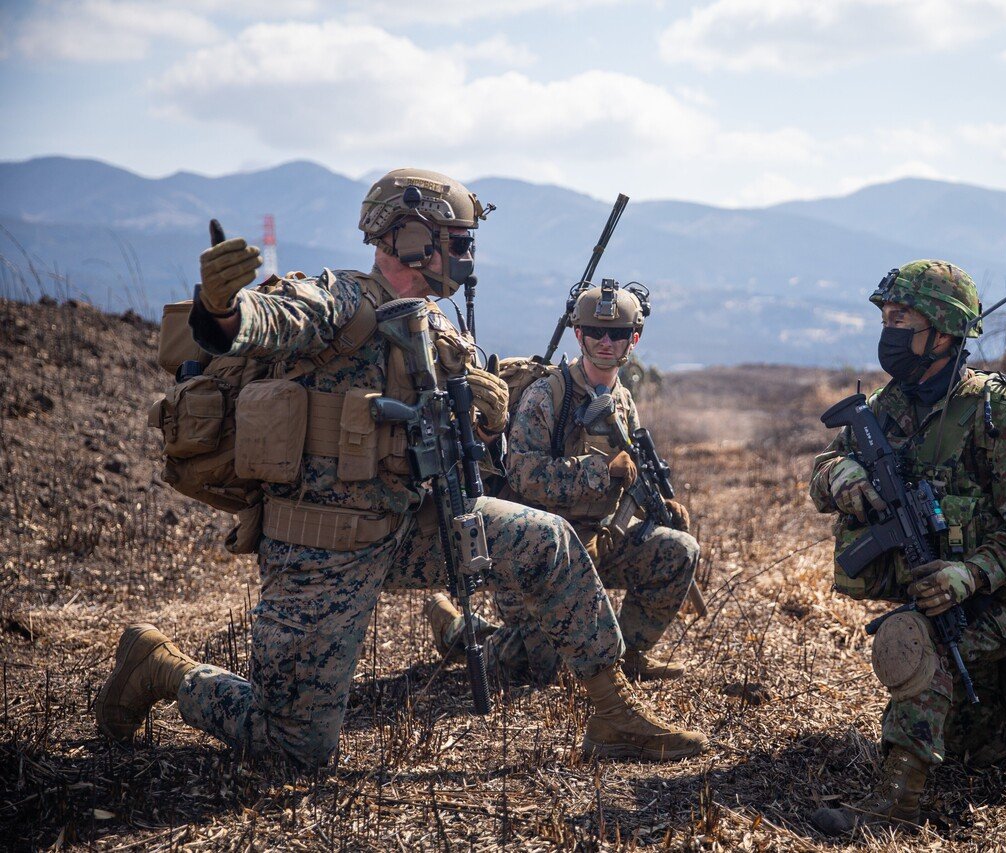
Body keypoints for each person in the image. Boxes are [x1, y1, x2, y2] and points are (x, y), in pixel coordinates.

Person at [95, 168, 707, 767]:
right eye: (458, 241)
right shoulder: (342, 300)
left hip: (409, 523)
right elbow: (268, 320)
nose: (466, 255)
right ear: (409, 238)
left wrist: (483, 408)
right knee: (293, 748)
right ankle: (162, 667)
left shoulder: (437, 324)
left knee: (547, 540)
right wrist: (224, 309)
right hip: (321, 546)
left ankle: (612, 711)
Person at [806, 261, 1006, 832]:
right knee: (984, 741)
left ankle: (895, 802)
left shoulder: (996, 412)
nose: (889, 328)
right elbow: (823, 469)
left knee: (916, 644)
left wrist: (968, 576)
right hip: (937, 589)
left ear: (945, 331)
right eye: (886, 316)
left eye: (902, 317)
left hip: (1004, 595)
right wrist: (842, 476)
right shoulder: (889, 406)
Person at [489, 283, 697, 685]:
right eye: (595, 333)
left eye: (618, 334)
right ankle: (462, 631)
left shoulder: (622, 399)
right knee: (537, 669)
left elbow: (632, 471)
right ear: (578, 335)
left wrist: (657, 505)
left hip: (599, 539)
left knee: (679, 550)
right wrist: (601, 471)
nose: (606, 342)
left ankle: (628, 654)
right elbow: (523, 474)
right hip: (543, 550)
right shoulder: (547, 396)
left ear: (633, 340)